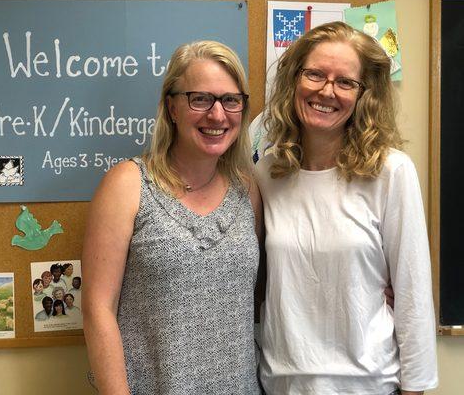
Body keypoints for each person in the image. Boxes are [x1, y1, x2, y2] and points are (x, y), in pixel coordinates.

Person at [254, 21, 438, 395]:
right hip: (282, 382)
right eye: (315, 74)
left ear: (363, 94)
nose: (327, 90)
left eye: (345, 82)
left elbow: (412, 295)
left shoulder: (391, 171)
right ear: (294, 81)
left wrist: (415, 388)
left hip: (368, 384)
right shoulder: (267, 172)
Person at [82, 40, 262, 395]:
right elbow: (96, 309)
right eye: (200, 99)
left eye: (230, 100)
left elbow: (263, 290)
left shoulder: (248, 190)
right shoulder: (128, 184)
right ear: (172, 107)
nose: (217, 115)